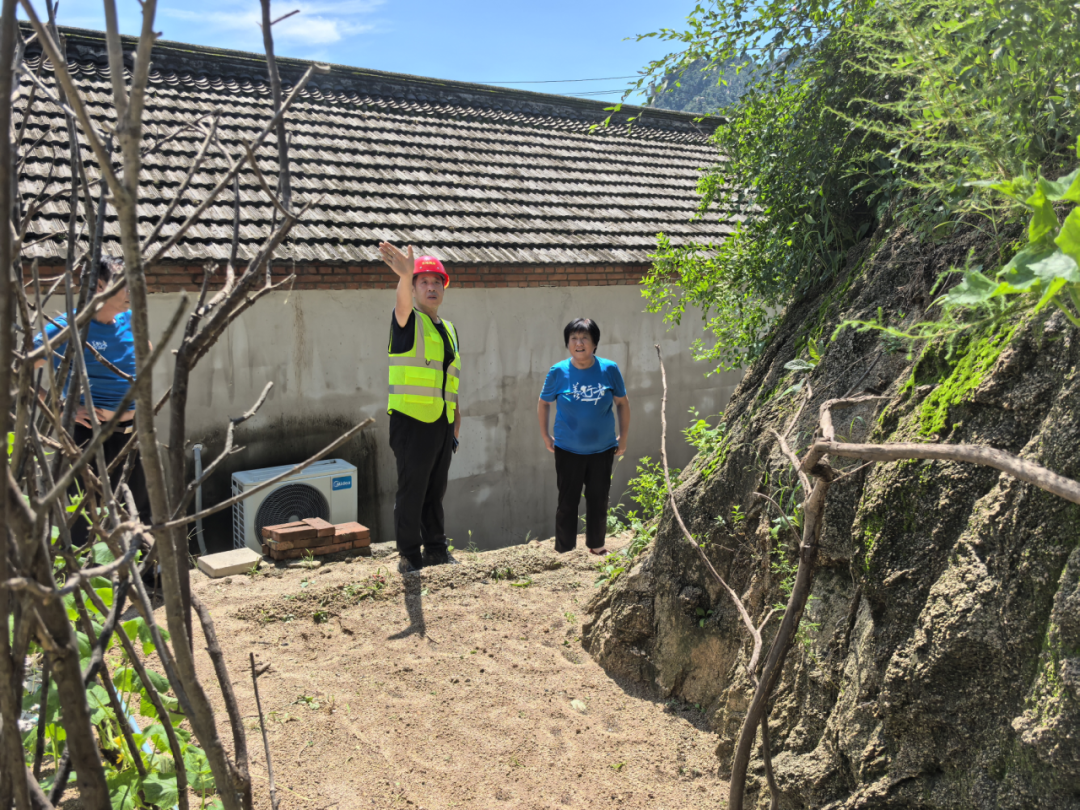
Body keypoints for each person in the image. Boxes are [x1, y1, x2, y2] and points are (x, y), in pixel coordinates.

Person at [33, 255, 151, 546]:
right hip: (88, 437)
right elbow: (15, 371)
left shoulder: (128, 320)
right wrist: (60, 407)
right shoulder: (69, 326)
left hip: (131, 435)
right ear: (99, 286)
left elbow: (146, 351)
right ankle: (83, 572)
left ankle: (143, 572)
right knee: (84, 519)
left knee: (138, 514)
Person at [379, 242, 462, 574]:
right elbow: (401, 304)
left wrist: (455, 420)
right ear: (414, 289)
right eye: (423, 281)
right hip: (411, 421)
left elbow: (449, 377)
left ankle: (437, 548)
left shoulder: (449, 329)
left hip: (441, 421)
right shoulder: (407, 320)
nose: (431, 287)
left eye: (437, 282)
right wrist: (404, 275)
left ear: (444, 288)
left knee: (435, 489)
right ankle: (410, 554)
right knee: (412, 490)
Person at [537, 318, 630, 555]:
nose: (579, 343)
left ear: (595, 343)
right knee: (567, 501)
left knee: (599, 499)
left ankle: (597, 546)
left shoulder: (609, 369)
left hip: (603, 448)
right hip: (568, 449)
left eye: (585, 338)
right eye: (574, 338)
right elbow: (544, 403)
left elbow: (622, 403)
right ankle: (565, 550)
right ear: (567, 343)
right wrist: (545, 435)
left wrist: (623, 437)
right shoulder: (558, 371)